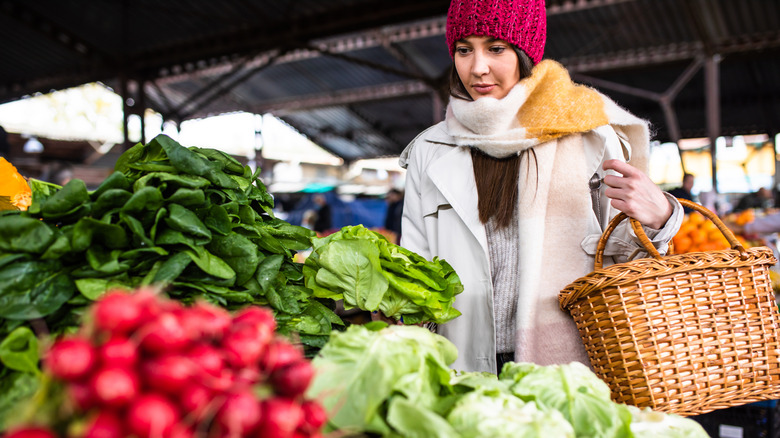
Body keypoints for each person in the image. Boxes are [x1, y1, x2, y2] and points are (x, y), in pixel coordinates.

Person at [398, 0, 683, 374]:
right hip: (461, 363)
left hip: (567, 365)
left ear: (525, 52)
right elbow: (414, 269)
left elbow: (630, 264)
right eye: (464, 49)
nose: (477, 67)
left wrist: (661, 217)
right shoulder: (430, 150)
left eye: (496, 48)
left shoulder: (589, 137)